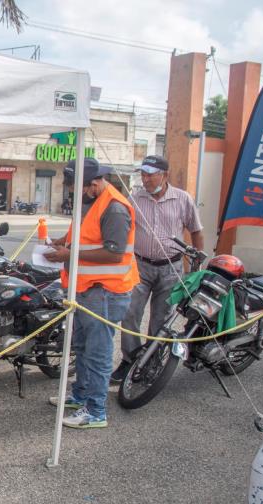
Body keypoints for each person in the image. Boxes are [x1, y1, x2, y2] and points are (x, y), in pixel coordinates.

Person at [44, 158, 138, 429]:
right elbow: (84, 236)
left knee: (98, 352)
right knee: (82, 347)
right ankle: (80, 396)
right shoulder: (90, 202)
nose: (76, 193)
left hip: (106, 292)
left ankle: (96, 411)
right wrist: (62, 242)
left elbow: (114, 252)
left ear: (95, 183)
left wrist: (68, 253)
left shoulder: (115, 208)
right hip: (87, 290)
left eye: (80, 187)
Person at [111, 155, 203, 382]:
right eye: (143, 174)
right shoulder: (135, 198)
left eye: (150, 174)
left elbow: (196, 230)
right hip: (140, 265)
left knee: (161, 319)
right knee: (130, 313)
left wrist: (197, 264)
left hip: (171, 267)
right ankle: (130, 359)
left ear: (165, 175)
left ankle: (151, 361)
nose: (146, 179)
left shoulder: (182, 199)